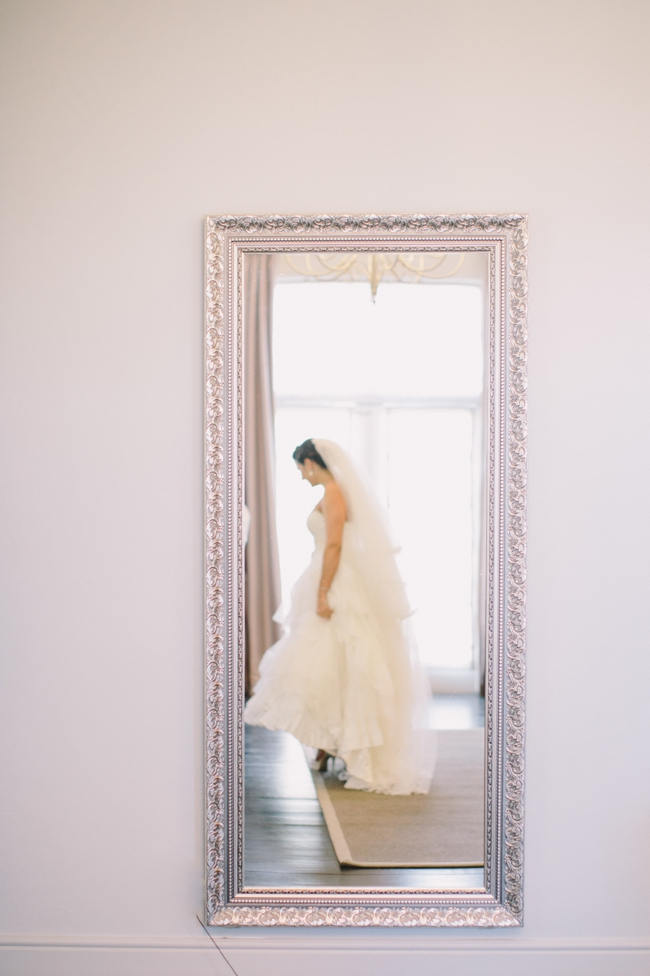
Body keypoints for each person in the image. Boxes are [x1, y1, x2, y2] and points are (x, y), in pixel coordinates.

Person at [244, 438, 435, 795]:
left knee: (340, 662)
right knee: (328, 664)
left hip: (336, 582)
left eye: (301, 468)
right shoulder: (333, 491)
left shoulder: (333, 493)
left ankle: (337, 745)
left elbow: (334, 544)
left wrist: (322, 592)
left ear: (312, 463)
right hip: (327, 575)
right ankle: (328, 743)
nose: (301, 476)